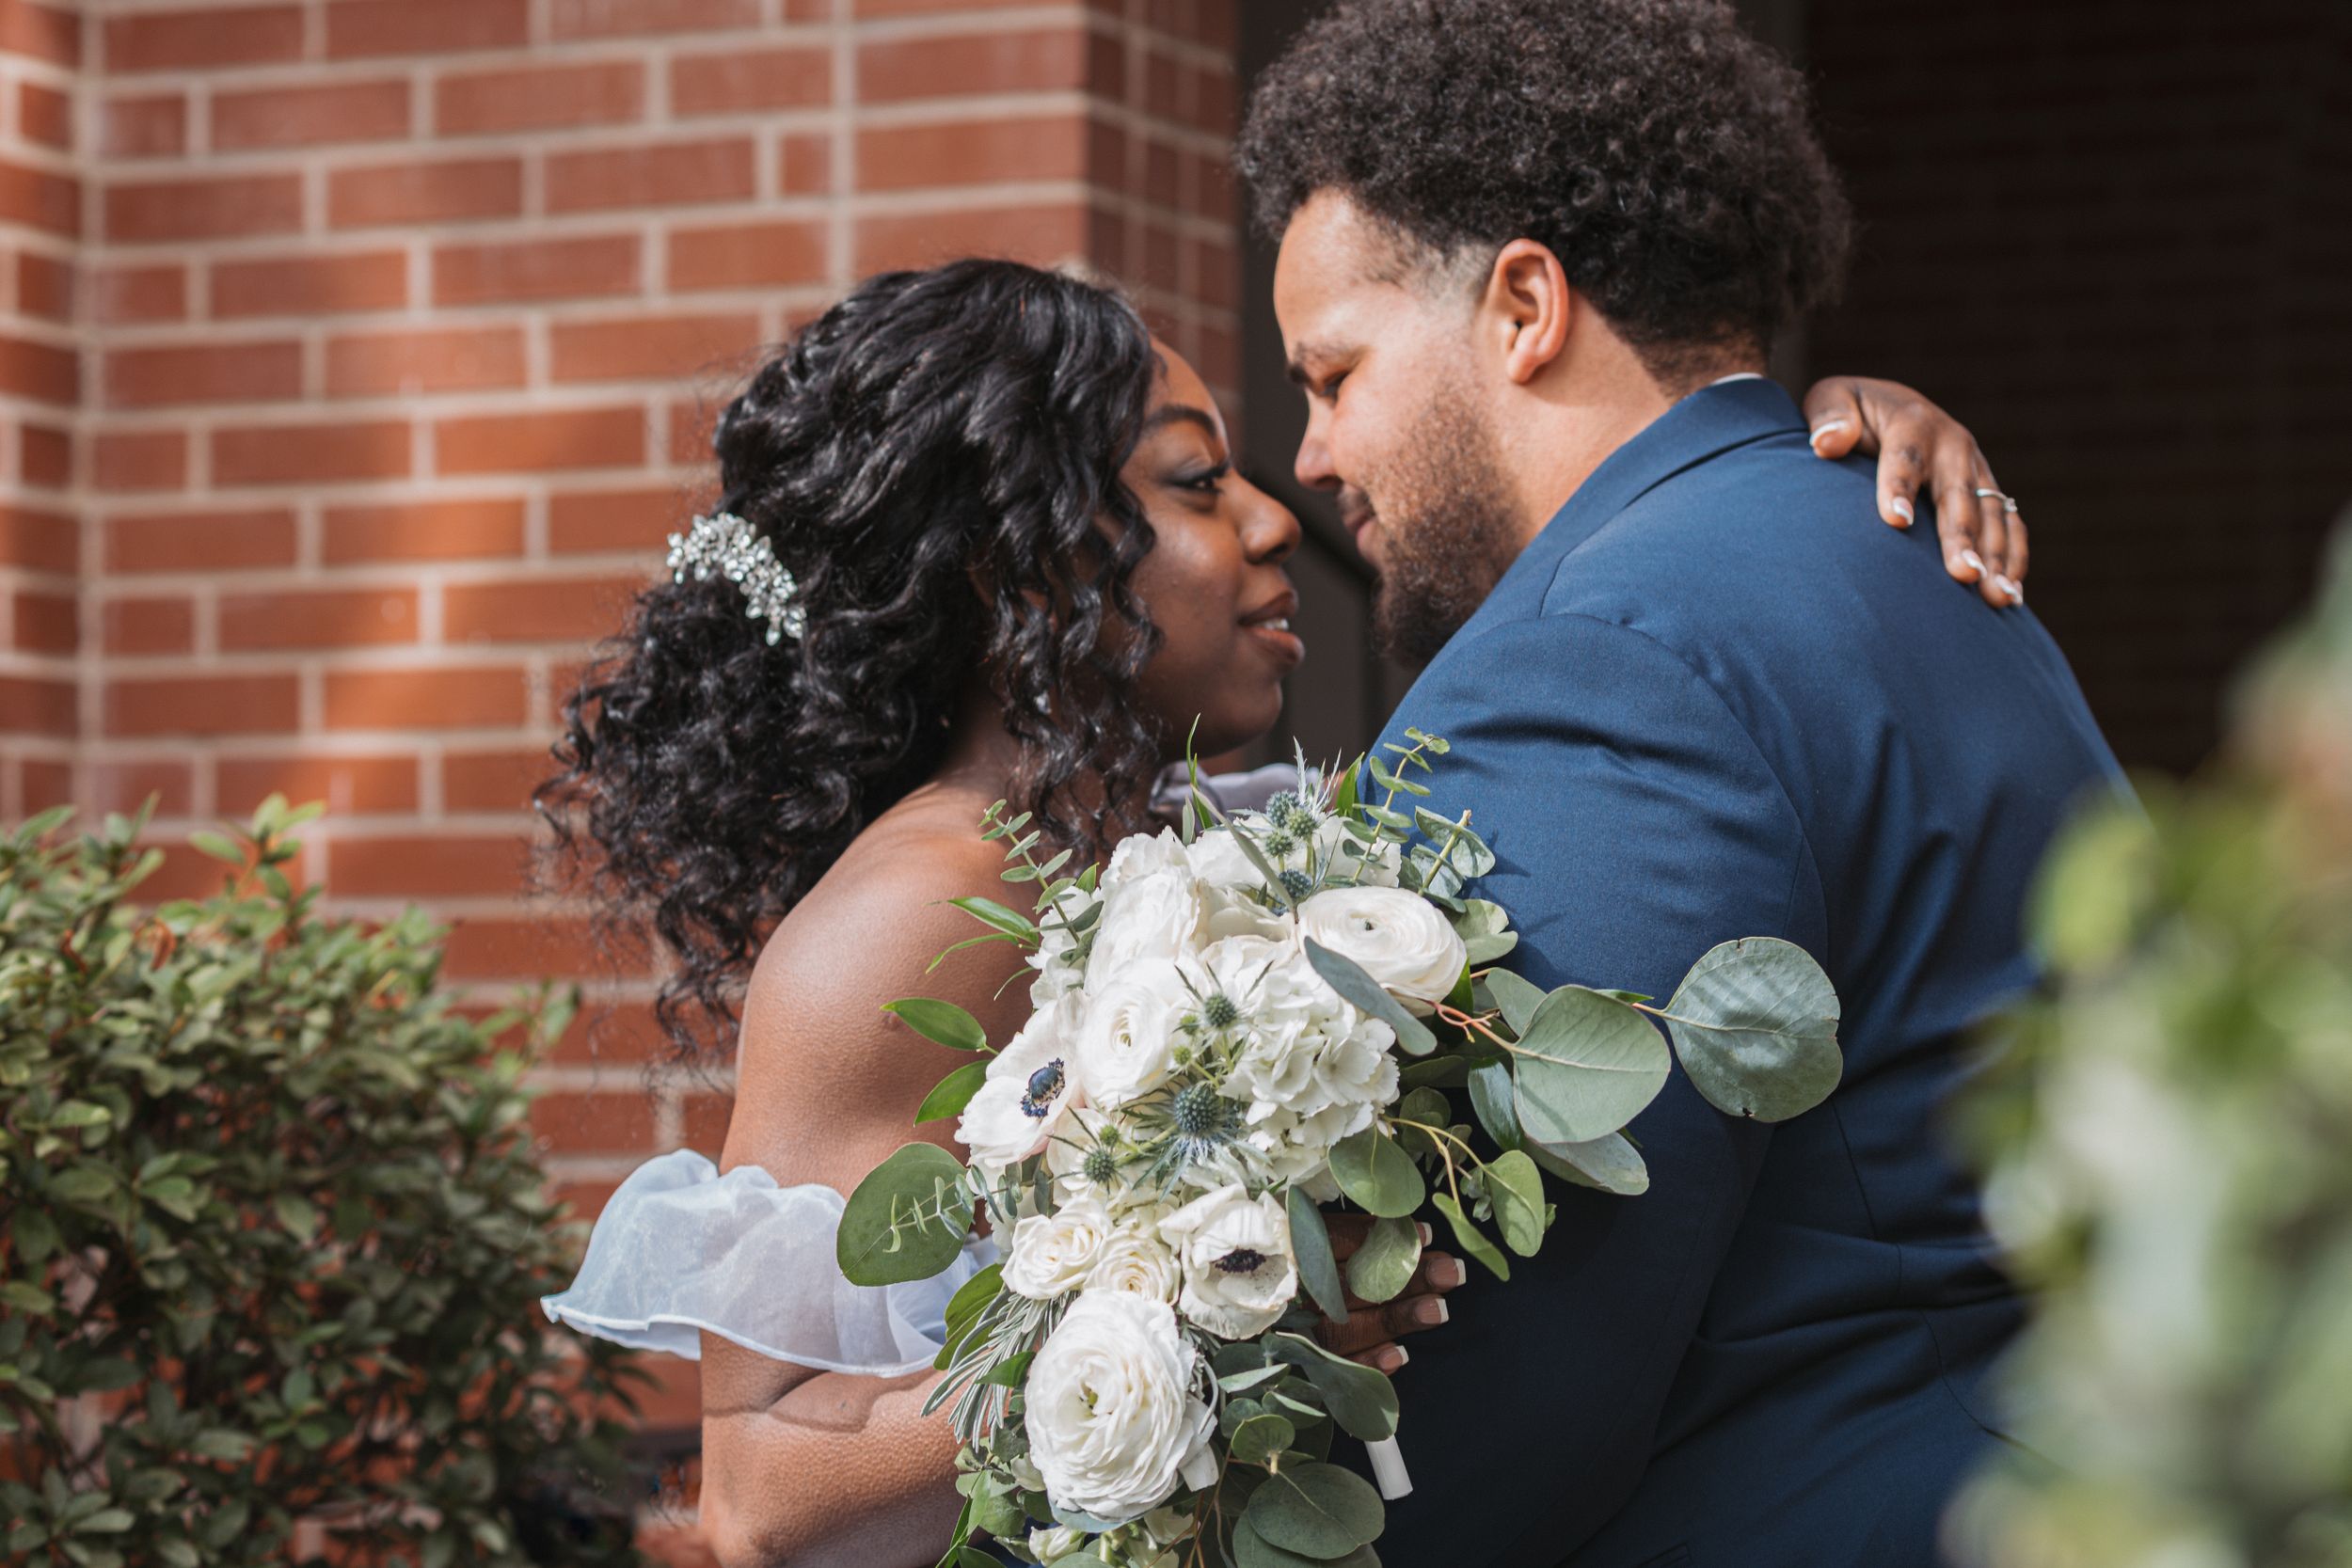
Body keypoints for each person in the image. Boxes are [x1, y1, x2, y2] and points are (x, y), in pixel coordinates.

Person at [534, 258, 2033, 1567]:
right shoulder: (919, 907)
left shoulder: (1211, 837)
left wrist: (1806, 452)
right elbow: (762, 1499)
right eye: (1195, 485)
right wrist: (1182, 1342)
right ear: (1020, 564)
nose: (1271, 519)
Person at [1232, 1, 2126, 1565]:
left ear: (1523, 305)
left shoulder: (1595, 657)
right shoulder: (1909, 546)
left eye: (1335, 371)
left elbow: (1524, 1361)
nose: (1308, 454)